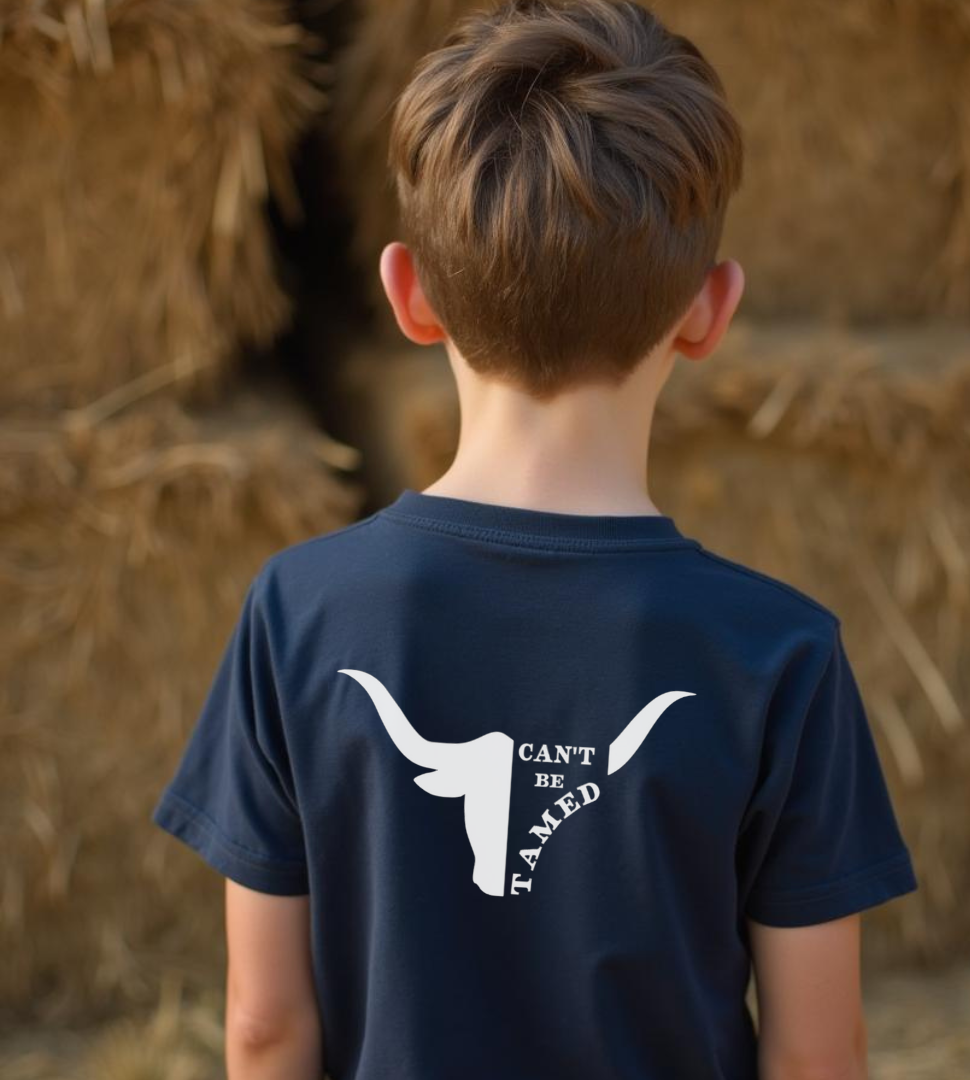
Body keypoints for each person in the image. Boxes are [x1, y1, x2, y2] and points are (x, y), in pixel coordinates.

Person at [150, 1, 918, 1077]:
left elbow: (265, 1028)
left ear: (409, 296)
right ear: (710, 313)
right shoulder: (780, 654)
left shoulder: (300, 613)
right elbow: (818, 1052)